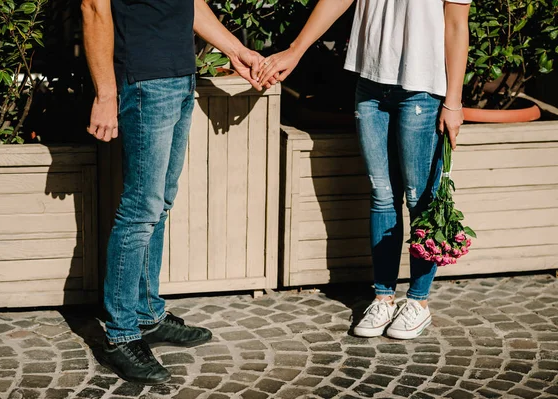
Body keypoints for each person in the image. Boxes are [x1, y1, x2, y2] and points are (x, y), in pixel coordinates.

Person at [81, 0, 275, 384]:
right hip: (144, 80)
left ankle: (148, 314)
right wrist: (105, 94)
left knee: (159, 205)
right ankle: (121, 335)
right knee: (140, 210)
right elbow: (93, 7)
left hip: (180, 77)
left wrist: (237, 51)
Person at [259, 0, 471, 340]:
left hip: (423, 87)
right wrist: (295, 50)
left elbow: (458, 25)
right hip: (370, 83)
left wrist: (454, 102)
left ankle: (419, 302)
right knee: (382, 196)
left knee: (421, 200)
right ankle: (384, 297)